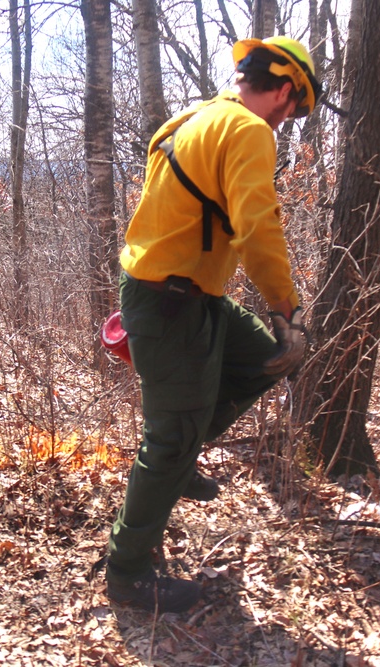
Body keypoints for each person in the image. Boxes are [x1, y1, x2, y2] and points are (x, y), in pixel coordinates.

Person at [105, 36, 320, 613]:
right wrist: (285, 309)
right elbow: (258, 227)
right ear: (280, 88)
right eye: (292, 107)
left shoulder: (194, 117)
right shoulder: (248, 130)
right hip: (170, 303)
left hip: (183, 298)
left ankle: (182, 461)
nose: (288, 119)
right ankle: (127, 573)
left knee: (259, 360)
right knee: (169, 440)